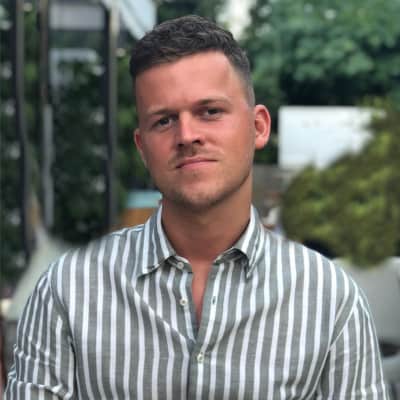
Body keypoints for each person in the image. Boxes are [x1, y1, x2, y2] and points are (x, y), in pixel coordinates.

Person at [5, 15, 388, 399]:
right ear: (142, 147)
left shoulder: (329, 300)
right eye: (164, 120)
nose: (187, 135)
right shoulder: (68, 291)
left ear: (258, 127)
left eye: (210, 111)